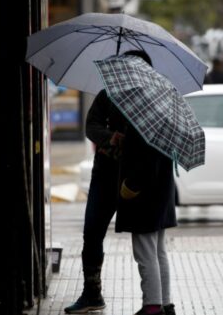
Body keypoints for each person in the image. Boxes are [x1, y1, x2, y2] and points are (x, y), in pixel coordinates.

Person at [64, 51, 151, 314]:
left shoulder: (149, 100)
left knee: (146, 243)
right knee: (92, 232)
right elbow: (91, 125)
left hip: (134, 176)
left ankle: (155, 303)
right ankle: (92, 293)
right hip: (104, 174)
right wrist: (110, 137)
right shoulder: (108, 94)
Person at [117, 119, 177, 315]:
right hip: (161, 194)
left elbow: (144, 160)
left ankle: (152, 307)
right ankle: (165, 304)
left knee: (145, 253)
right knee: (159, 252)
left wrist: (130, 186)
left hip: (144, 198)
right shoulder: (166, 119)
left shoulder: (142, 122)